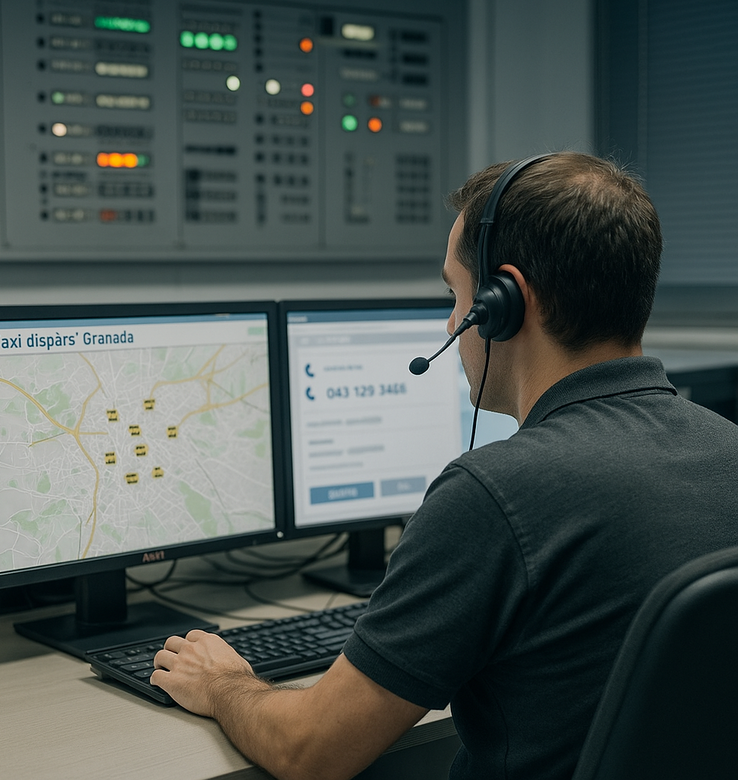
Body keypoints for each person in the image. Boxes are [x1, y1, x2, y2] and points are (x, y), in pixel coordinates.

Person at [152, 152, 738, 780]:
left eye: (456, 296)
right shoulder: (728, 447)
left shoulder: (495, 495)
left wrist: (224, 685)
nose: (452, 324)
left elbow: (311, 752)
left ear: (505, 301)